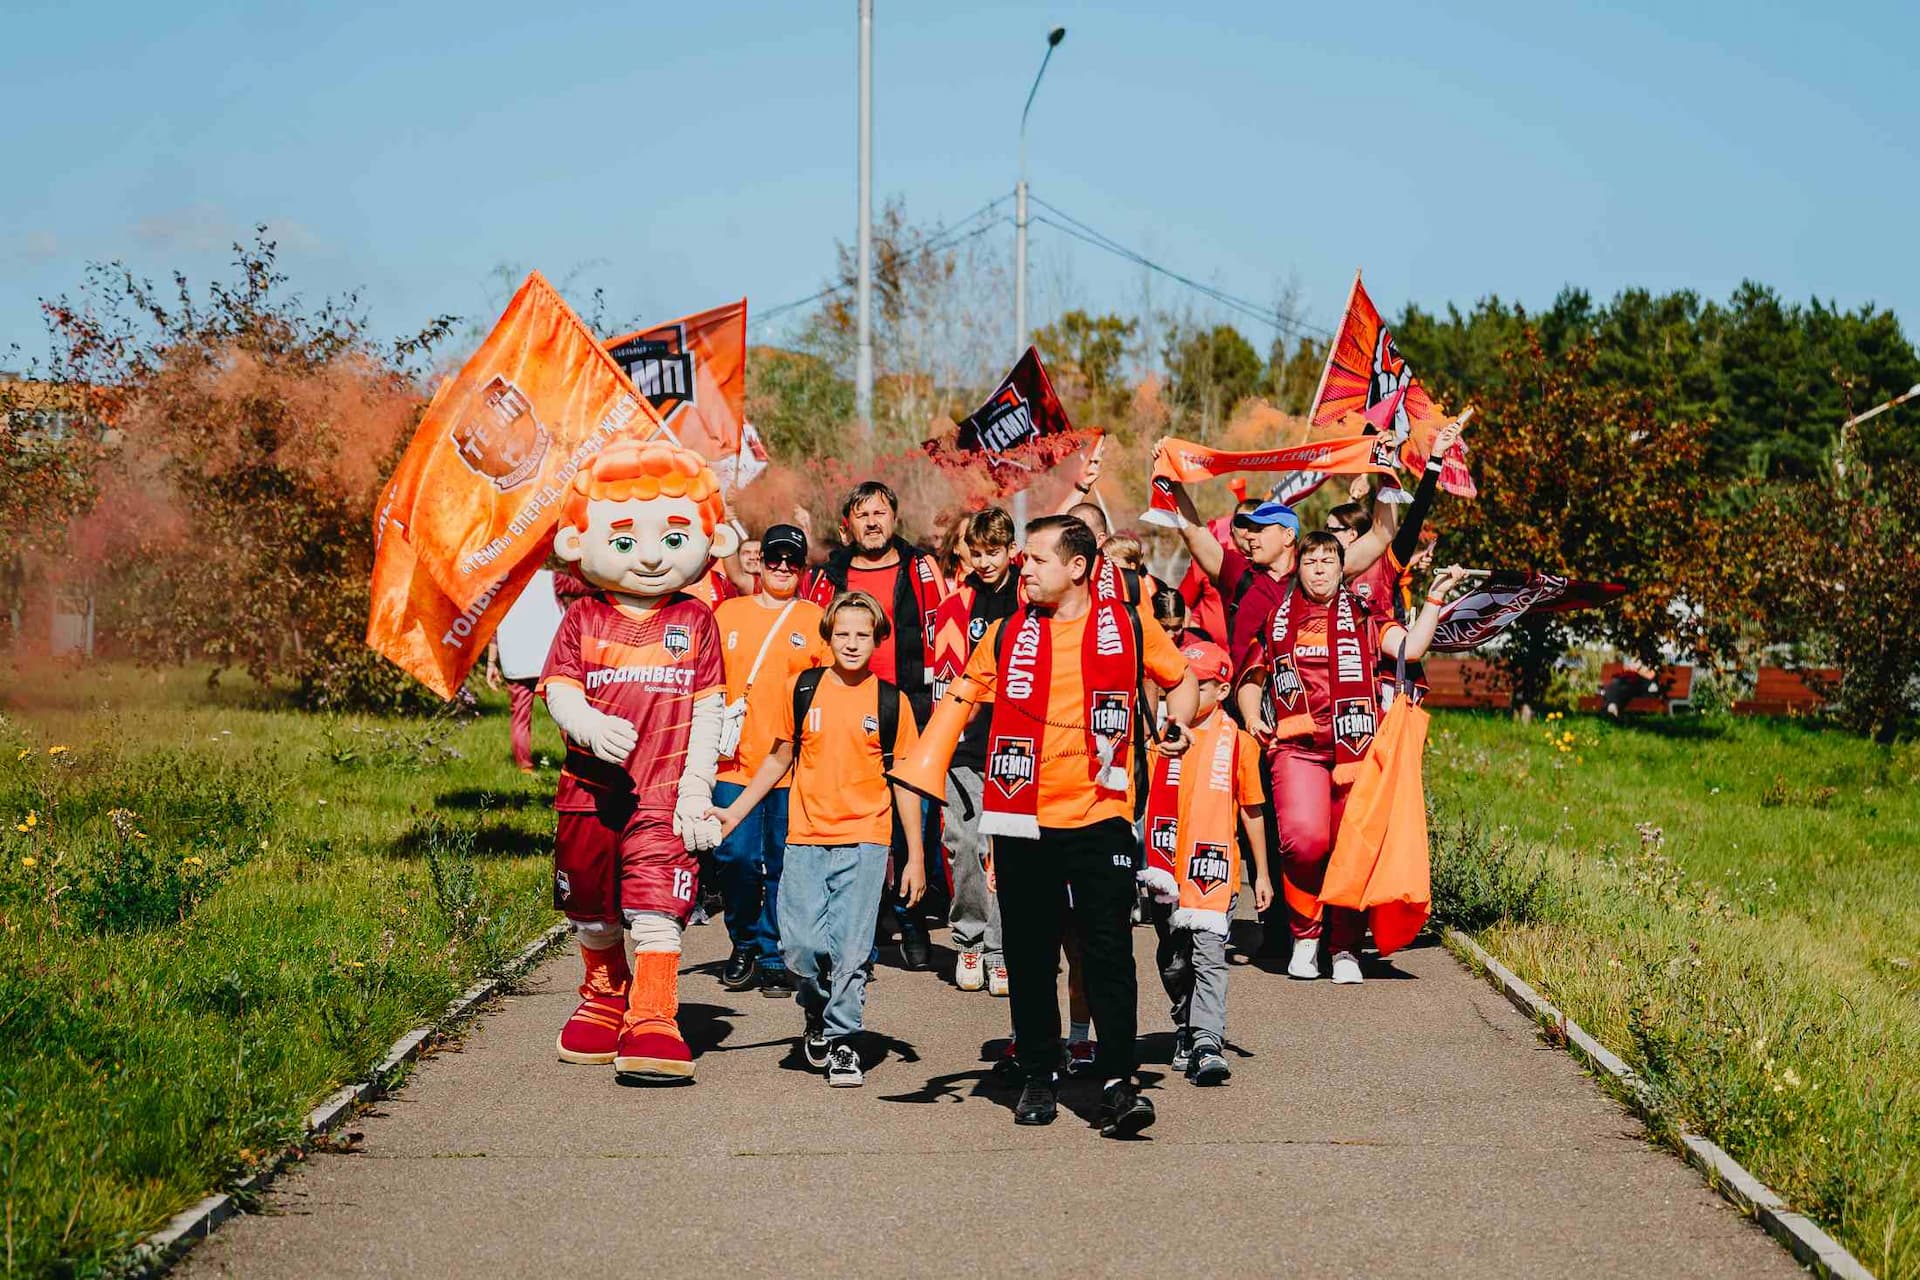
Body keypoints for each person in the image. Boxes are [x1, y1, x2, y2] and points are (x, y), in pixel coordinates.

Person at [951, 515, 1198, 1135]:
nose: (1022, 566)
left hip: (1102, 813)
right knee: (1031, 954)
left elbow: (1182, 680)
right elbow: (961, 696)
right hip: (1019, 814)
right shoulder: (1008, 633)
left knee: (1108, 950)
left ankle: (1118, 1081)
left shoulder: (1129, 625)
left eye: (1035, 558)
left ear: (1077, 567)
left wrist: (1178, 722)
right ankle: (1037, 1070)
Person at [539, 439, 732, 1083]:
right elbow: (559, 692)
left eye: (671, 538)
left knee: (656, 909)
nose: (650, 555)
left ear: (710, 540)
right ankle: (603, 994)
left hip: (663, 791)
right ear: (581, 543)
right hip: (589, 793)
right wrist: (589, 725)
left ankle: (654, 1016)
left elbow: (710, 709)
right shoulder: (581, 619)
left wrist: (698, 787)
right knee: (591, 910)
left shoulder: (696, 620)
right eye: (624, 541)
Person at [1235, 531, 1466, 986]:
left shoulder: (1366, 617)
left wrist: (1435, 598)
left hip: (1356, 750)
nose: (1319, 568)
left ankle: (1343, 947)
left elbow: (1411, 649)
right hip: (1297, 747)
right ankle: (1305, 936)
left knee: (1349, 849)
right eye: (1310, 561)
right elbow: (1251, 677)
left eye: (1328, 560)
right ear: (1297, 568)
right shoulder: (1276, 619)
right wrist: (1249, 716)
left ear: (1343, 569)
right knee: (1304, 841)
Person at [714, 591, 925, 1088]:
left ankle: (844, 1040)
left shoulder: (891, 702)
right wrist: (734, 812)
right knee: (799, 949)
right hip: (805, 838)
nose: (853, 644)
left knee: (851, 952)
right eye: (844, 634)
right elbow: (777, 759)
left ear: (877, 640)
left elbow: (906, 783)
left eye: (863, 635)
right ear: (827, 637)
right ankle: (817, 1008)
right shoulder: (801, 689)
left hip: (867, 839)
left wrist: (914, 855)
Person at [804, 481, 946, 968]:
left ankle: (912, 921)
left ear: (893, 519)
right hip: (843, 706)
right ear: (848, 523)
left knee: (914, 821)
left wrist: (940, 707)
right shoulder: (829, 575)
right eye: (862, 514)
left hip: (908, 707)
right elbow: (810, 630)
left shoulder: (920, 567)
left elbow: (942, 632)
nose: (871, 522)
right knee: (854, 815)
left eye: (880, 513)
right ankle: (864, 914)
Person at [1138, 641, 1272, 1085]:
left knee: (1209, 954)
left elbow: (1252, 808)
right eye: (1183, 684)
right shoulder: (1162, 737)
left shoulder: (1239, 743)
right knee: (1174, 959)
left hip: (1216, 869)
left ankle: (1207, 1041)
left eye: (1200, 685)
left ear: (1223, 689)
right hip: (1165, 868)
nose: (1189, 694)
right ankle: (1186, 1025)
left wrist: (1262, 873)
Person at [710, 523, 829, 995]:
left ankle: (774, 951)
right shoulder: (727, 615)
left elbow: (828, 690)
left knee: (783, 862)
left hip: (790, 765)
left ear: (803, 568)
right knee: (735, 857)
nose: (782, 567)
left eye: (792, 561)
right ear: (760, 562)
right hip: (733, 762)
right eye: (775, 558)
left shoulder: (815, 618)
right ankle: (743, 940)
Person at [928, 507, 1021, 996]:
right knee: (964, 845)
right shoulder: (954, 607)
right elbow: (948, 683)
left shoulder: (1032, 597)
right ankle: (968, 937)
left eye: (994, 552)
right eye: (977, 553)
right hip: (964, 748)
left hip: (1020, 749)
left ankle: (1001, 950)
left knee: (1007, 851)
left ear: (1012, 550)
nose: (985, 562)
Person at [1166, 483, 1300, 664]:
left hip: (1300, 689)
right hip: (1242, 686)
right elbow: (1195, 533)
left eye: (1260, 530)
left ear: (1288, 535)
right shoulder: (1239, 573)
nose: (1249, 536)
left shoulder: (1314, 576)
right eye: (1249, 529)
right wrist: (1175, 485)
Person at [484, 566, 566, 772]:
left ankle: (525, 767)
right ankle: (579, 763)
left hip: (516, 661)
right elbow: (587, 587)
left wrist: (491, 664)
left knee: (520, 718)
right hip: (549, 662)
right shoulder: (551, 579)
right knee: (565, 713)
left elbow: (493, 630)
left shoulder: (499, 586)